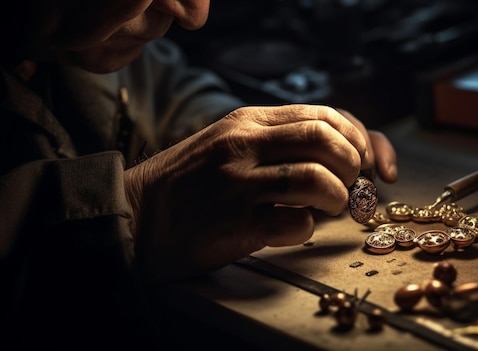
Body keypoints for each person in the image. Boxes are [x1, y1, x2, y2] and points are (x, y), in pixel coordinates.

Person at [0, 0, 397, 349]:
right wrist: (136, 208)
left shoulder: (72, 40)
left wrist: (255, 140)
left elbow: (161, 86)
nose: (194, 15)